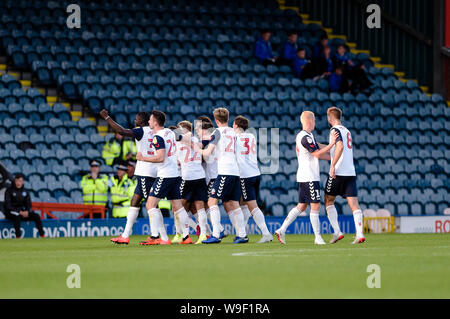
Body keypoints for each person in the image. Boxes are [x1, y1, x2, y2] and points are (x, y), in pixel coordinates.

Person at [100, 109, 169, 245]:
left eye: (136, 118)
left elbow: (121, 131)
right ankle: (125, 235)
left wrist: (107, 118)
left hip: (145, 172)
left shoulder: (141, 131)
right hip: (154, 171)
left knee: (152, 205)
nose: (134, 120)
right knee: (135, 202)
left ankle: (158, 237)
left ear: (141, 121)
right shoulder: (157, 132)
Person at [275, 111, 338, 245]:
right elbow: (316, 153)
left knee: (302, 206)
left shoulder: (309, 136)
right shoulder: (304, 137)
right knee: (315, 205)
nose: (315, 123)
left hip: (305, 175)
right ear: (310, 121)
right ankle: (317, 237)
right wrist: (332, 145)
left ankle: (281, 229)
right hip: (309, 176)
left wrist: (334, 156)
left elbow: (318, 147)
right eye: (314, 121)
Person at [137, 110, 193, 245]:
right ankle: (186, 237)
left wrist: (143, 158)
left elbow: (160, 157)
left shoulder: (158, 137)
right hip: (175, 174)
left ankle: (156, 236)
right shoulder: (169, 132)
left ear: (155, 122)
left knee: (150, 204)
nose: (149, 122)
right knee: (178, 206)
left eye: (150, 120)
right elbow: (186, 139)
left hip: (165, 175)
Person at [195, 108, 248, 244]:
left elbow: (207, 153)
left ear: (216, 121)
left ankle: (216, 234)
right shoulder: (234, 132)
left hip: (225, 171)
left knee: (212, 201)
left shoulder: (217, 132)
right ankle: (242, 235)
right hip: (235, 171)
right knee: (234, 203)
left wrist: (195, 148)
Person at [324, 107, 365, 244]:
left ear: (330, 118)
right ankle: (359, 234)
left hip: (339, 172)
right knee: (354, 204)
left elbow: (339, 147)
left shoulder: (334, 130)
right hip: (350, 172)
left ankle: (337, 232)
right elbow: (336, 146)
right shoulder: (347, 131)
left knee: (328, 200)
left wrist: (333, 166)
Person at [233, 115, 272, 243]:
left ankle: (266, 234)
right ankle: (241, 232)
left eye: (233, 124)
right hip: (255, 173)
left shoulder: (235, 138)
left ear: (236, 126)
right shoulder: (251, 136)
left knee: (252, 206)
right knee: (244, 203)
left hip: (245, 175)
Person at [175, 120, 209, 244]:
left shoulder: (179, 142)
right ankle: (203, 235)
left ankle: (185, 235)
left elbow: (178, 161)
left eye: (180, 129)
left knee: (179, 207)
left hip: (187, 176)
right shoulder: (196, 141)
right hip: (200, 175)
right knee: (200, 207)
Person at [4, 173, 45, 238]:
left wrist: (27, 211)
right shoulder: (9, 191)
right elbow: (8, 206)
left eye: (20, 181)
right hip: (11, 212)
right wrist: (19, 211)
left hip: (23, 212)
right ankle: (18, 237)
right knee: (17, 216)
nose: (18, 183)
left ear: (23, 182)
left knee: (36, 216)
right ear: (14, 181)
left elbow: (29, 204)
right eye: (17, 181)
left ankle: (42, 235)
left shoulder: (25, 191)